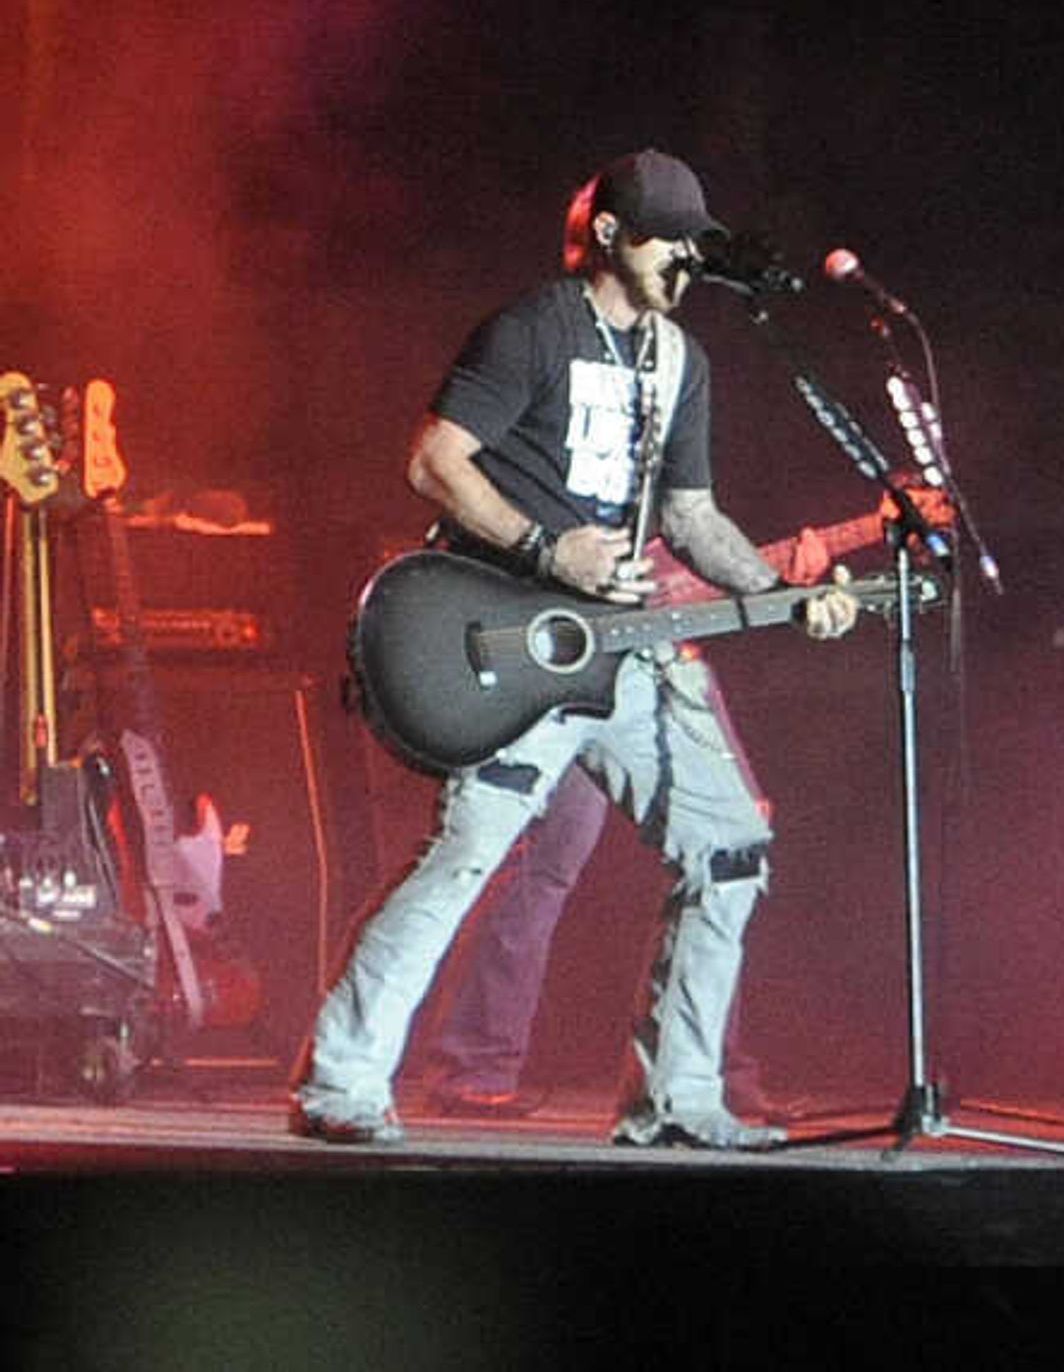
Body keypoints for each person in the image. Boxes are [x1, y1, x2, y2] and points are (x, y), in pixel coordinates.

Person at [292, 148, 873, 1149]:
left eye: (697, 240)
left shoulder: (682, 359)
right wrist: (541, 542)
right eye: (668, 237)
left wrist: (784, 593)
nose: (686, 258)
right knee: (469, 848)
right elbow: (434, 457)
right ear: (611, 233)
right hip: (524, 637)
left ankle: (678, 1096)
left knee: (730, 851)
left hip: (631, 650)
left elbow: (691, 514)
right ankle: (340, 1078)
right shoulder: (533, 329)